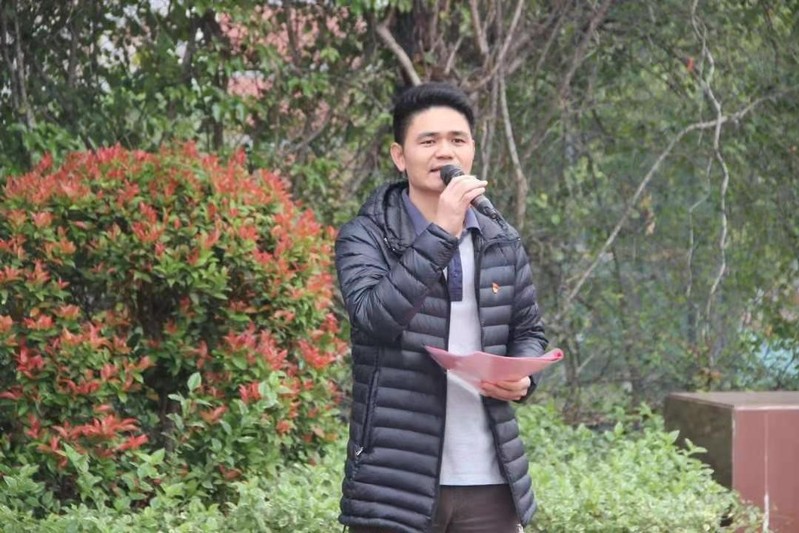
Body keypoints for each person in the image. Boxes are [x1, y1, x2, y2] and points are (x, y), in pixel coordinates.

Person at [334, 82, 548, 533]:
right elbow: (375, 318)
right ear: (400, 156)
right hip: (395, 484)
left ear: (472, 151)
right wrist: (442, 231)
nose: (444, 152)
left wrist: (525, 378)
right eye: (428, 141)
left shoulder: (501, 239)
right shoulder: (365, 235)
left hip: (490, 479)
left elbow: (528, 330)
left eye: (457, 140)